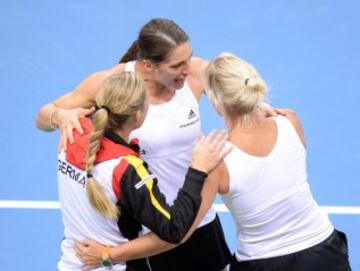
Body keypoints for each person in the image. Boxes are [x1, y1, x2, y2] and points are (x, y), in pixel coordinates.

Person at [76, 52, 352, 271]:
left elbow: (177, 234)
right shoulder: (290, 121)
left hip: (264, 264)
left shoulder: (216, 161)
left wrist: (108, 254)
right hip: (324, 251)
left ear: (216, 103)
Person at [36, 18, 233, 271]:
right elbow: (44, 116)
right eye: (177, 65)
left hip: (198, 217)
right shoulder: (112, 84)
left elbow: (238, 85)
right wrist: (59, 116)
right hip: (150, 231)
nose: (188, 68)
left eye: (189, 58)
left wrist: (261, 108)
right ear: (148, 65)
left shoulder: (194, 73)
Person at [57, 71, 230, 271]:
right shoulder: (125, 169)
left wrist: (59, 114)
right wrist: (197, 169)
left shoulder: (70, 133)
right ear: (138, 115)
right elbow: (173, 229)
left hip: (71, 263)